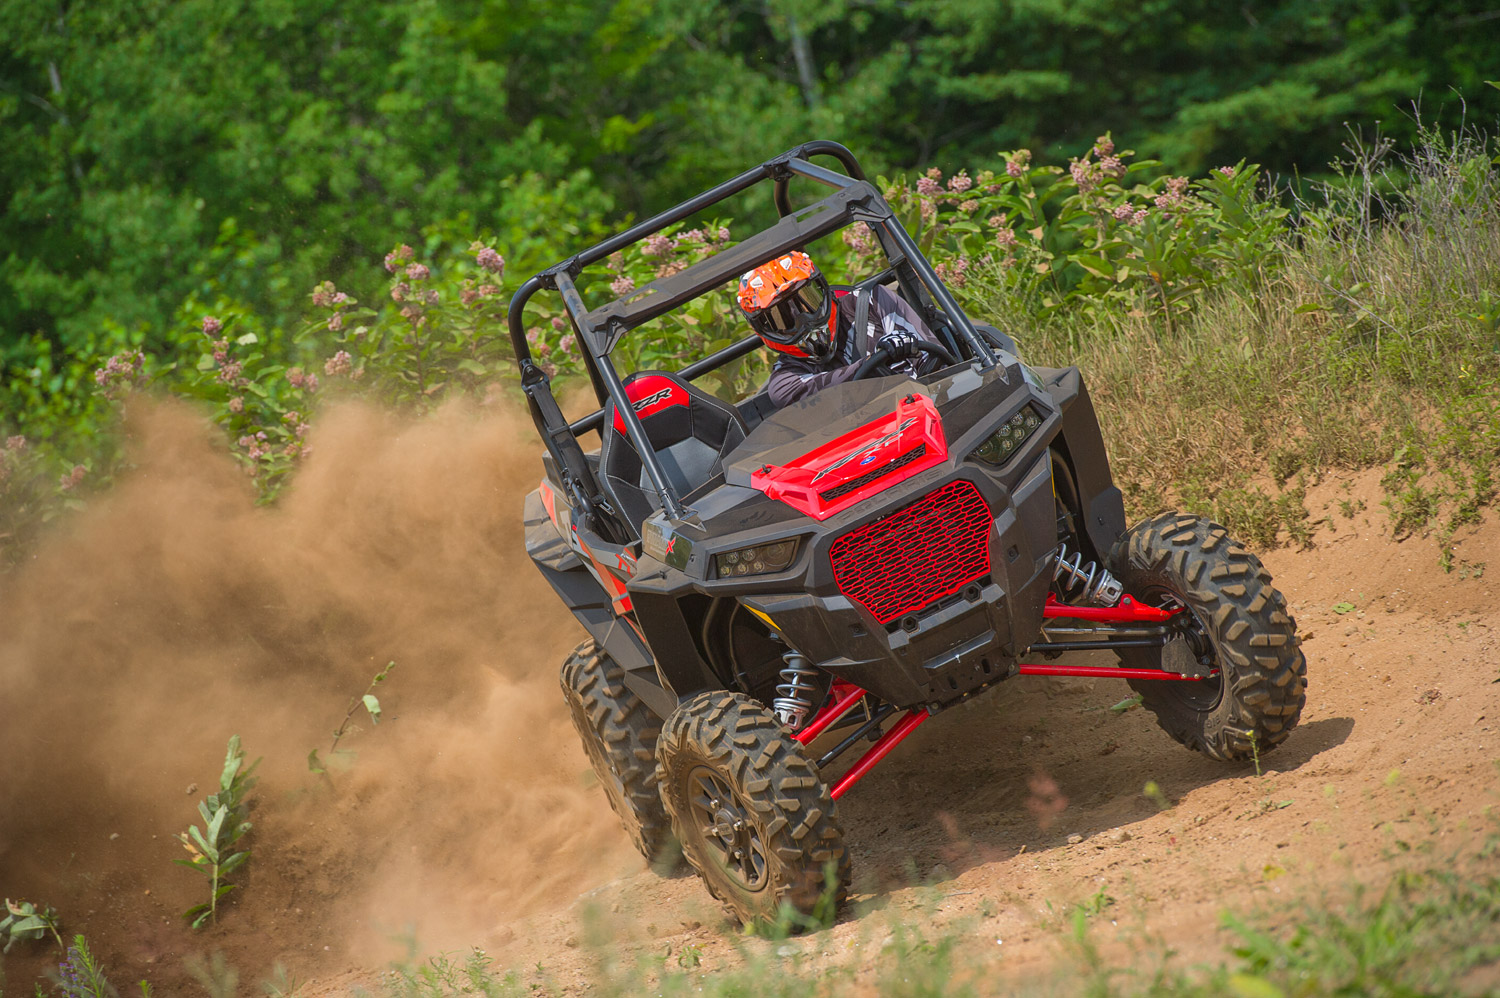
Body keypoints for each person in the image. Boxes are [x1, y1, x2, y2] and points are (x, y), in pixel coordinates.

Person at [737, 250, 941, 408]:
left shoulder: (872, 302)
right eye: (783, 318)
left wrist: (906, 346)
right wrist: (879, 358)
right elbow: (833, 386)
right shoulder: (785, 382)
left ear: (822, 288)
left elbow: (938, 368)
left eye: (807, 301)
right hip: (865, 451)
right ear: (763, 330)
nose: (805, 320)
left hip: (928, 417)